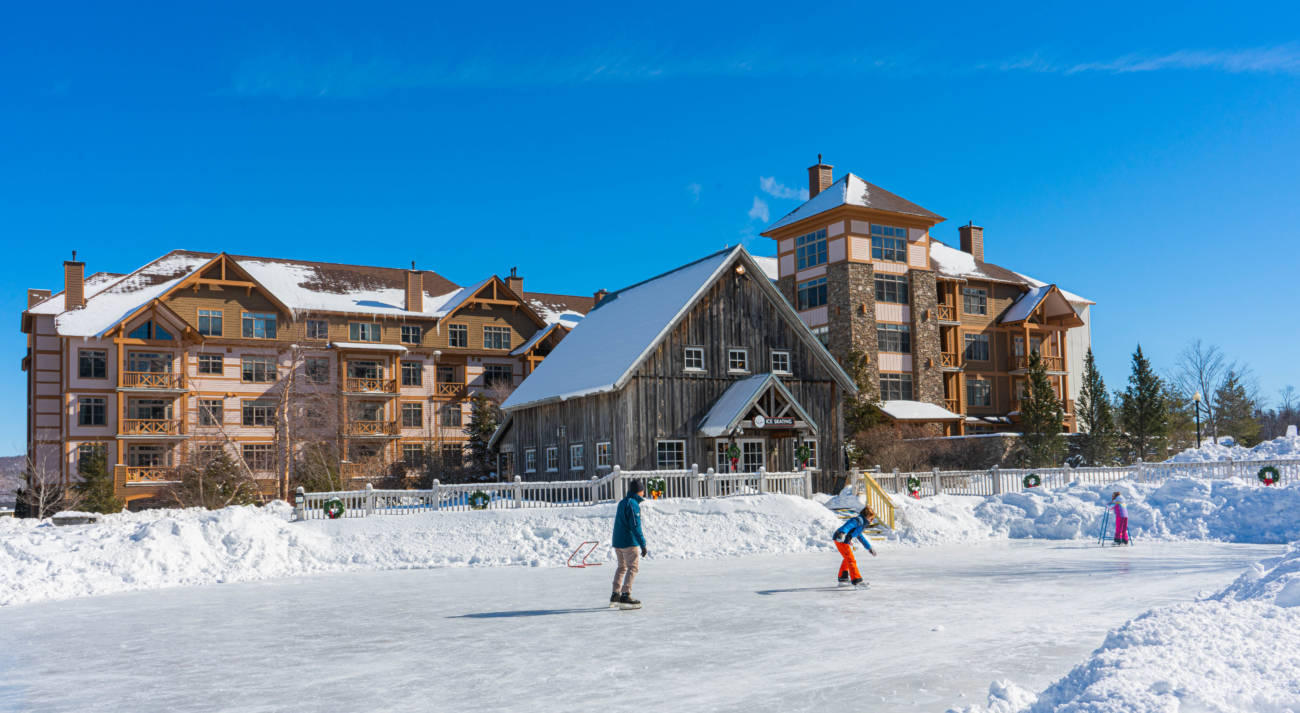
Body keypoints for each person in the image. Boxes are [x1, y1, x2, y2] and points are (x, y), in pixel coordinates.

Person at [610, 479, 648, 609]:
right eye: (643, 490)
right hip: (628, 542)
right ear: (639, 491)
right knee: (633, 567)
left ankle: (616, 594)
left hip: (618, 541)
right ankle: (625, 595)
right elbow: (635, 526)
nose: (644, 493)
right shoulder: (633, 504)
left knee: (622, 567)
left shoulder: (623, 502)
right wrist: (642, 544)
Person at [832, 506, 877, 587]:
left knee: (847, 558)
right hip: (840, 539)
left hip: (844, 540)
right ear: (867, 516)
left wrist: (869, 547)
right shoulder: (858, 520)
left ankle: (843, 578)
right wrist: (842, 533)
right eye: (871, 518)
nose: (871, 521)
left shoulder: (862, 524)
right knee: (851, 559)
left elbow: (860, 537)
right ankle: (857, 580)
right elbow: (848, 525)